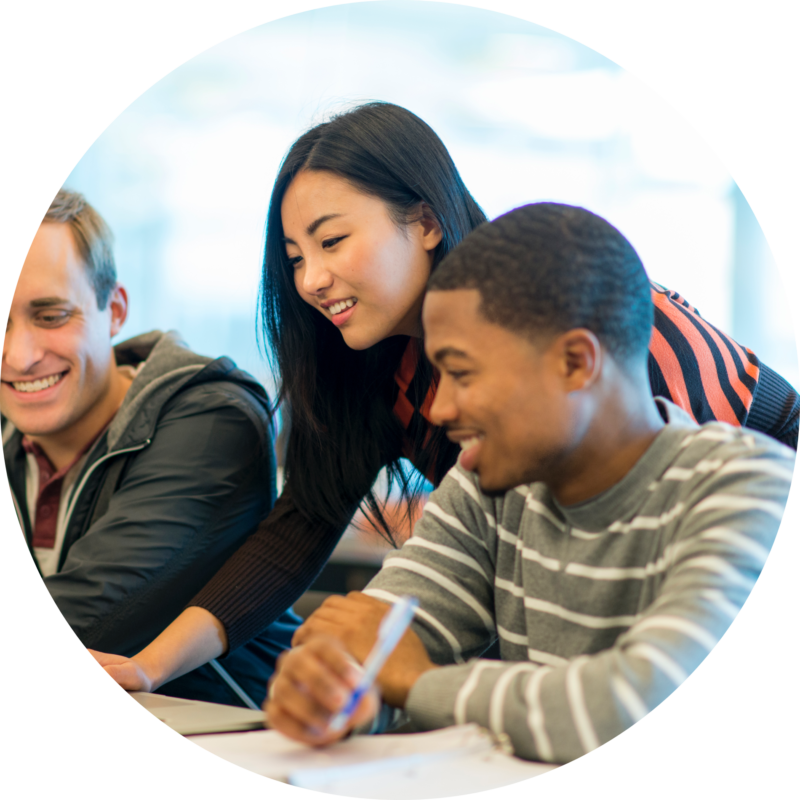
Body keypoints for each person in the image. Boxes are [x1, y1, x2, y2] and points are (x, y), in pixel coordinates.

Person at [92, 102, 799, 696]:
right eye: (296, 256)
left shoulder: (601, 347)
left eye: (332, 240)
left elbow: (629, 652)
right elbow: (302, 531)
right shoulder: (375, 366)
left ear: (426, 223)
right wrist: (150, 667)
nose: (310, 279)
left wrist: (419, 683)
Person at [265, 203, 794, 763]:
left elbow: (637, 702)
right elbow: (377, 645)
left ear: (574, 364)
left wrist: (415, 685)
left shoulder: (748, 485)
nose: (439, 408)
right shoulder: (488, 484)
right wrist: (335, 690)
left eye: (462, 374)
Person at [3, 189, 299, 706]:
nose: (20, 356)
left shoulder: (213, 422)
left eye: (50, 316)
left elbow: (84, 617)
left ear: (114, 311)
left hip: (251, 743)